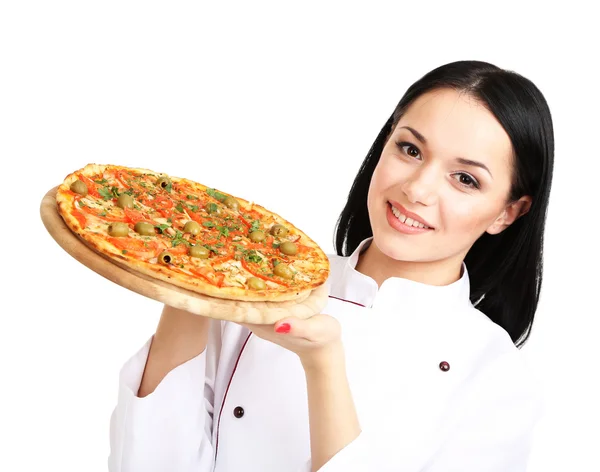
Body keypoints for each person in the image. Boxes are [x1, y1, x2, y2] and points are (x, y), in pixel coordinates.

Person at [108, 60, 554, 471]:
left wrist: (322, 363)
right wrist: (191, 282)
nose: (418, 189)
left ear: (507, 212)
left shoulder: (497, 380)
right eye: (410, 150)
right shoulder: (263, 283)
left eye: (465, 179)